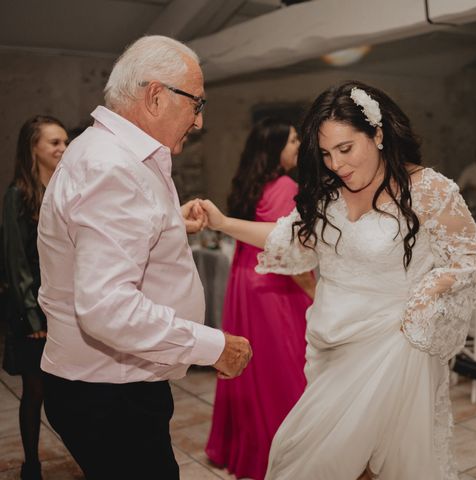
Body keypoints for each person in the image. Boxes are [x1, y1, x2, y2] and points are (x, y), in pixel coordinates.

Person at [200, 80, 476, 480]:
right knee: (304, 454)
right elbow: (289, 239)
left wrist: (428, 292)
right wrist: (222, 222)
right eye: (325, 153)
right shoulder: (328, 194)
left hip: (393, 349)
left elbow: (471, 257)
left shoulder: (428, 190)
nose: (335, 164)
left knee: (362, 463)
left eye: (345, 149)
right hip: (329, 346)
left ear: (378, 133)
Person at [36, 35, 252, 480]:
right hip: (108, 392)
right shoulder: (114, 166)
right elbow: (107, 308)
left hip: (111, 382)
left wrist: (170, 223)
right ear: (156, 96)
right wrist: (211, 346)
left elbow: (104, 235)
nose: (198, 120)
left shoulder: (105, 151)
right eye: (196, 103)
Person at [205, 118, 315, 479]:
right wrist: (316, 294)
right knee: (286, 373)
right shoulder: (285, 185)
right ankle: (284, 455)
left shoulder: (249, 184)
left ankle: (244, 448)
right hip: (275, 288)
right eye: (294, 140)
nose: (299, 146)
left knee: (252, 371)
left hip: (244, 283)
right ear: (275, 147)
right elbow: (289, 253)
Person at [2, 115, 68, 480]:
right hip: (34, 314)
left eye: (65, 142)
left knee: (69, 390)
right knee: (35, 389)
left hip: (64, 307)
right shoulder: (17, 195)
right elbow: (15, 263)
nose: (63, 148)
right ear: (33, 149)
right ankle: (31, 463)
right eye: (54, 142)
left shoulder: (65, 189)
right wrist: (33, 317)